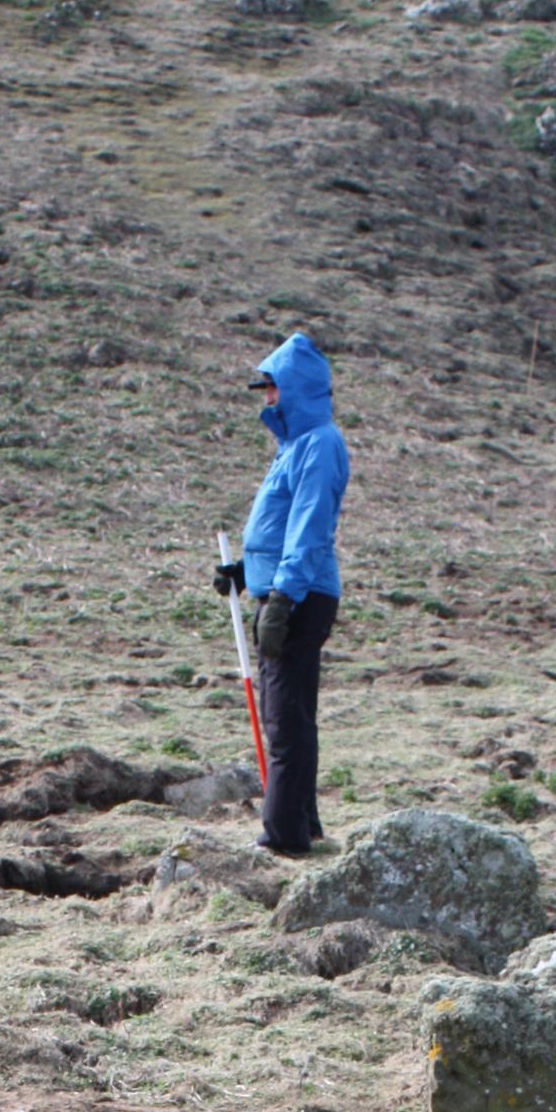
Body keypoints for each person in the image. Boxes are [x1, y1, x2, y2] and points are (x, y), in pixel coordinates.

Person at [214, 330, 350, 858]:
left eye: (271, 389)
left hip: (299, 595)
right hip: (285, 590)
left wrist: (284, 598)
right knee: (290, 713)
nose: (266, 399)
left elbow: (310, 529)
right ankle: (303, 823)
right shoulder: (297, 446)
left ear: (294, 389)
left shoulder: (319, 444)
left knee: (284, 720)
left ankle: (284, 839)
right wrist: (247, 572)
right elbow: (282, 527)